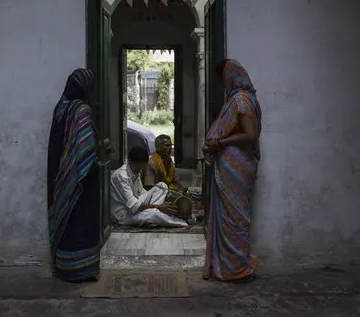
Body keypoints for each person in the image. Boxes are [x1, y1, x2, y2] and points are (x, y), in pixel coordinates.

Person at [202, 59, 262, 282]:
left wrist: (221, 142)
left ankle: (236, 267)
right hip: (232, 165)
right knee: (231, 215)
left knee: (235, 216)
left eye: (222, 80)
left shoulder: (242, 101)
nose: (222, 84)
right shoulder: (243, 100)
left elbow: (250, 135)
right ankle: (228, 265)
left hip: (236, 167)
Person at [47, 68, 101, 283]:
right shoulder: (82, 110)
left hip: (59, 178)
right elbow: (85, 147)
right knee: (81, 221)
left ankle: (66, 268)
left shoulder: (60, 109)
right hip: (81, 177)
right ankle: (83, 269)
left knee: (66, 218)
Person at [110, 146, 188, 227]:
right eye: (138, 166)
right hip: (124, 213)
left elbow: (141, 192)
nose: (140, 168)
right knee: (154, 214)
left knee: (161, 186)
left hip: (136, 205)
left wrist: (156, 203)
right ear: (130, 161)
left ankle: (152, 215)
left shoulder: (135, 169)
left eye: (143, 166)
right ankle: (183, 223)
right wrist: (158, 207)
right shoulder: (121, 176)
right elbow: (134, 205)